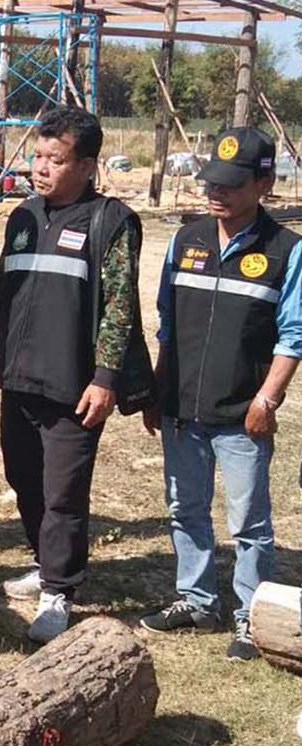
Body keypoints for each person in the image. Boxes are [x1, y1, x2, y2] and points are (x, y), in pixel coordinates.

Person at [0, 107, 142, 643]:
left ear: (87, 166)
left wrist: (106, 377)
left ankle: (59, 591)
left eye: (55, 159)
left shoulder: (110, 221)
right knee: (22, 477)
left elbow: (119, 306)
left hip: (75, 386)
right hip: (20, 379)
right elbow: (4, 294)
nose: (40, 168)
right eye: (37, 156)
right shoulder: (23, 218)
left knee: (63, 490)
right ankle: (46, 562)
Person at [140, 126, 302, 661]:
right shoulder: (185, 240)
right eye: (213, 181)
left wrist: (266, 401)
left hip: (241, 414)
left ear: (263, 184)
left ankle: (250, 616)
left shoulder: (286, 251)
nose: (217, 192)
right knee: (185, 508)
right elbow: (167, 323)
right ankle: (196, 600)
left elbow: (293, 336)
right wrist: (159, 388)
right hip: (182, 409)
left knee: (248, 522)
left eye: (231, 184)